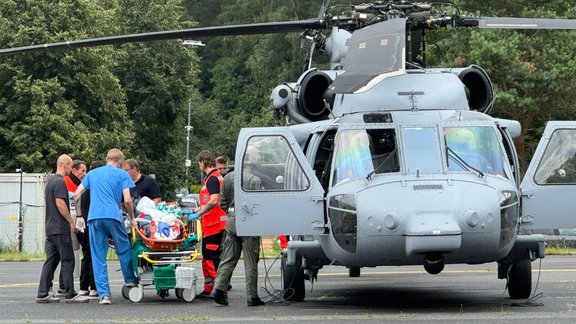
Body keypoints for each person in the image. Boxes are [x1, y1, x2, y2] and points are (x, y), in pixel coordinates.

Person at [74, 149, 138, 305]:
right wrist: (132, 218)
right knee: (123, 249)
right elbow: (128, 201)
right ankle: (130, 281)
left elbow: (76, 194)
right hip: (113, 217)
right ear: (120, 162)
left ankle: (104, 295)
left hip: (94, 218)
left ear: (107, 158)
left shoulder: (92, 174)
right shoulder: (122, 175)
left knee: (98, 256)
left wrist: (79, 216)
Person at [36, 154, 89, 304]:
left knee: (51, 261)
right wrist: (71, 222)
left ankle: (42, 292)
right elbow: (60, 203)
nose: (70, 169)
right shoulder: (59, 182)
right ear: (65, 164)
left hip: (50, 228)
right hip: (60, 228)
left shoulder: (51, 181)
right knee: (68, 260)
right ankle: (70, 293)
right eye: (70, 166)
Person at [211, 170, 265, 306]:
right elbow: (260, 204)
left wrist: (232, 213)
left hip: (231, 220)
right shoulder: (255, 179)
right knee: (250, 261)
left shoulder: (228, 177)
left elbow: (223, 202)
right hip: (249, 223)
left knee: (228, 258)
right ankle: (252, 296)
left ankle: (218, 288)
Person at [190, 150, 227, 298]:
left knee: (212, 257)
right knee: (207, 256)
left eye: (199, 163)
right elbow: (208, 202)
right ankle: (210, 286)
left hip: (214, 224)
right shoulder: (213, 177)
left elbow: (213, 200)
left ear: (202, 162)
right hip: (211, 223)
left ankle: (220, 289)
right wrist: (193, 210)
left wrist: (199, 213)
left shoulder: (212, 179)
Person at [75, 160, 105, 300]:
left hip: (84, 225)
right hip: (93, 225)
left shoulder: (85, 189)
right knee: (95, 256)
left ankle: (83, 287)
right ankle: (94, 287)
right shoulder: (96, 190)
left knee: (86, 256)